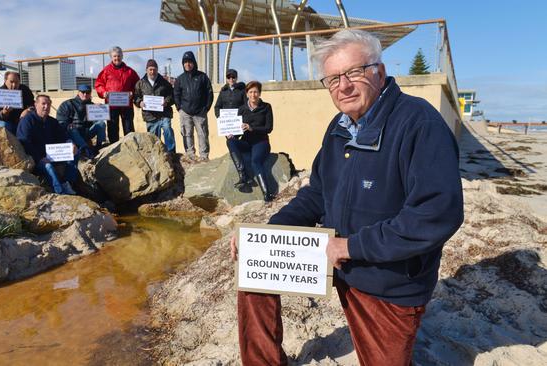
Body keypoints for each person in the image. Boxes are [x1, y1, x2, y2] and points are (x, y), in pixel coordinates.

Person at [231, 29, 464, 366]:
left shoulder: (419, 123)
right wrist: (265, 235)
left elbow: (437, 212)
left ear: (379, 72)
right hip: (333, 260)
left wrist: (352, 247)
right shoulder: (339, 127)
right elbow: (317, 194)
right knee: (253, 265)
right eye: (333, 78)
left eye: (355, 72)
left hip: (388, 280)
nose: (344, 86)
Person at [17, 95, 78, 195]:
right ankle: (60, 192)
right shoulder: (27, 121)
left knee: (75, 153)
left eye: (48, 104)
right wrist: (39, 158)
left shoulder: (52, 121)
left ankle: (67, 183)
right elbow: (24, 143)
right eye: (43, 104)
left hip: (53, 155)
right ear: (36, 105)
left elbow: (62, 136)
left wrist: (70, 143)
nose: (46, 106)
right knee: (48, 166)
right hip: (37, 158)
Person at [226, 81, 274, 201]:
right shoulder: (242, 109)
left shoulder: (266, 107)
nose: (253, 95)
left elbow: (269, 128)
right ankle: (244, 176)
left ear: (259, 93)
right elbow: (238, 131)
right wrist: (232, 134)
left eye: (256, 92)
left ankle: (267, 195)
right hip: (246, 142)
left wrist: (252, 128)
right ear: (247, 94)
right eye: (251, 92)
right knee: (230, 142)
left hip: (261, 142)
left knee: (255, 161)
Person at [173, 51, 213, 161]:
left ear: (194, 63)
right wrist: (179, 108)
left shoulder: (202, 77)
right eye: (185, 62)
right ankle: (190, 156)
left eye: (189, 62)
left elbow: (209, 93)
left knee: (203, 135)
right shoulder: (180, 79)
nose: (187, 64)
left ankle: (204, 156)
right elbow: (176, 94)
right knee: (187, 134)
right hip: (185, 112)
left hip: (200, 112)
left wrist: (206, 108)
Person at [95, 46, 140, 144]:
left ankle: (131, 148)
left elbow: (138, 85)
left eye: (119, 56)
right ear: (111, 57)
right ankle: (115, 149)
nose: (117, 58)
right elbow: (99, 84)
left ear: (122, 56)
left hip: (127, 105)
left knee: (129, 129)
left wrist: (133, 92)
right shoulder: (106, 71)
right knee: (112, 129)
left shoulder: (130, 71)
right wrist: (103, 92)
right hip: (112, 106)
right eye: (114, 56)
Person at [133, 59, 176, 153]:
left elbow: (172, 95)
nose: (152, 72)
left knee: (167, 129)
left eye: (154, 69)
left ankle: (171, 153)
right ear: (146, 70)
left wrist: (166, 102)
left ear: (157, 70)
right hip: (150, 116)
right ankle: (156, 155)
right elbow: (135, 97)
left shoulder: (164, 83)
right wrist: (140, 103)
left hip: (164, 114)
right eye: (150, 69)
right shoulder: (140, 83)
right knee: (153, 138)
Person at [56, 84, 107, 157]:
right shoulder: (68, 104)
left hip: (86, 132)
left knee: (101, 123)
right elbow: (61, 121)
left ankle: (98, 146)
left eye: (88, 92)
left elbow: (97, 122)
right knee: (71, 128)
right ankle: (86, 149)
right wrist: (67, 125)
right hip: (73, 134)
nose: (85, 94)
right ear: (78, 92)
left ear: (90, 93)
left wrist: (100, 110)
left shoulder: (92, 106)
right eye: (83, 92)